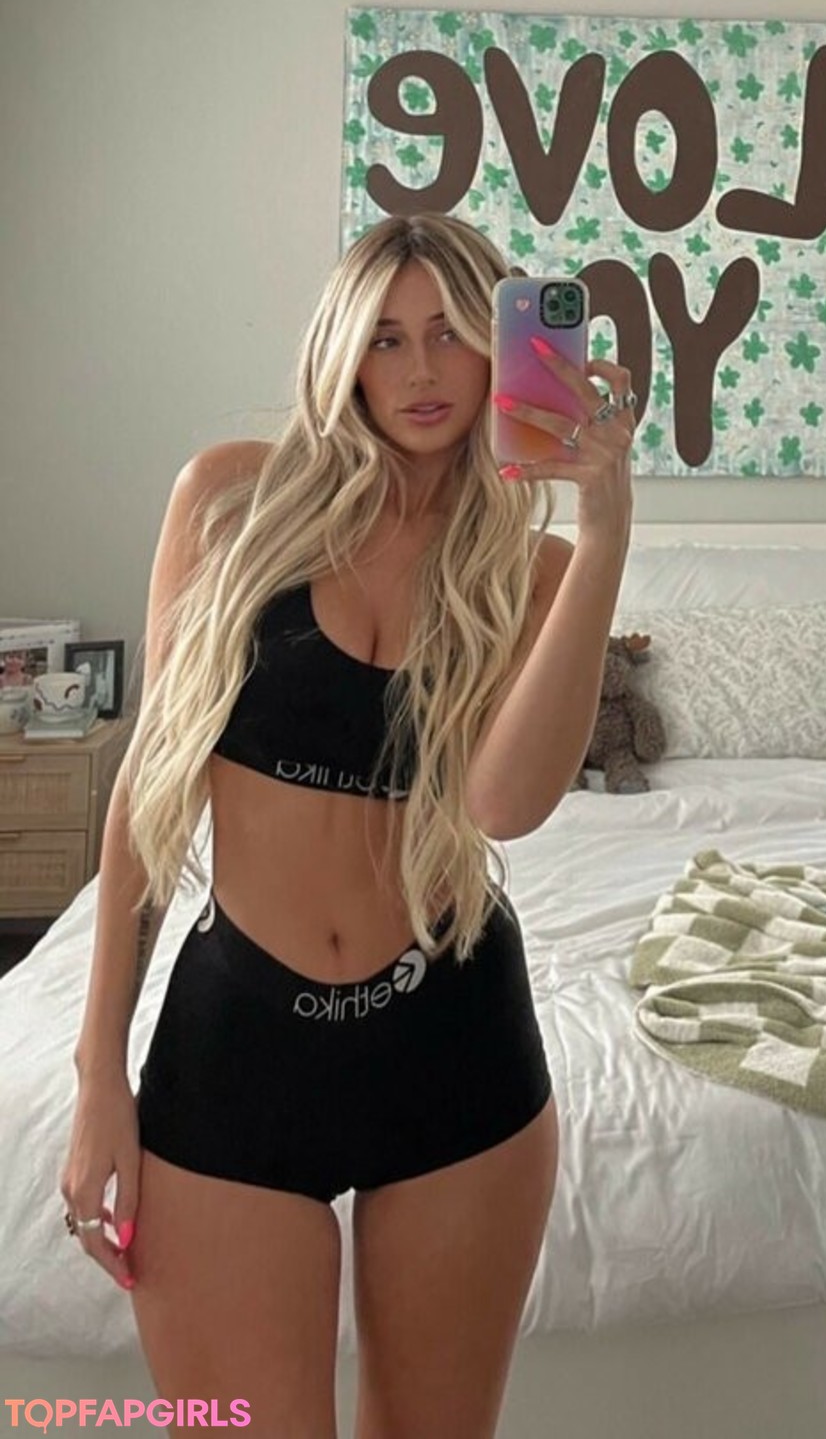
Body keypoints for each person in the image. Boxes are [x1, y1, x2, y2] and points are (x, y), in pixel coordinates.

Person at [60, 212, 635, 1439]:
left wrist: (603, 538)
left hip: (456, 1046)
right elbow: (149, 798)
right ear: (343, 354)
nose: (420, 370)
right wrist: (100, 1070)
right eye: (385, 337)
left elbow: (504, 804)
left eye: (450, 333)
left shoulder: (527, 572)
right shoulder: (229, 501)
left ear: (498, 349)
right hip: (237, 1049)